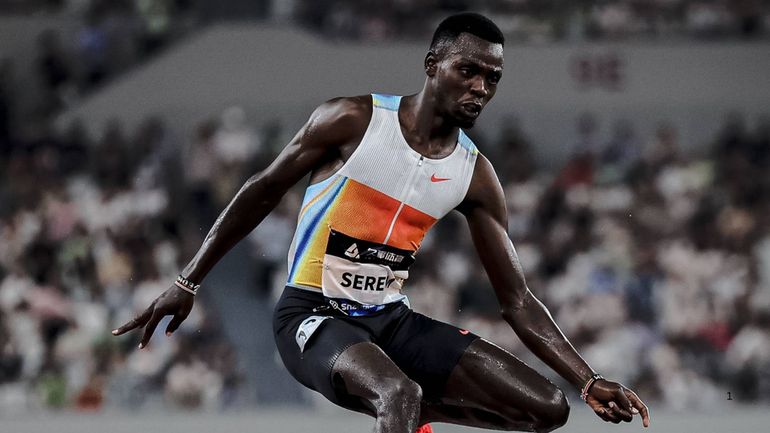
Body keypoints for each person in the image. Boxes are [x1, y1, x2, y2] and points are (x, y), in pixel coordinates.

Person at [112, 13, 650, 433]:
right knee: (399, 394)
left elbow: (516, 300)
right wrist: (188, 281)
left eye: (493, 78)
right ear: (432, 63)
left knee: (549, 408)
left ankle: (417, 417)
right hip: (312, 316)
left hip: (392, 323)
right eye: (468, 70)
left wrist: (587, 379)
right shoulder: (352, 120)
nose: (481, 87)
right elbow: (262, 190)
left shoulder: (474, 175)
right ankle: (407, 412)